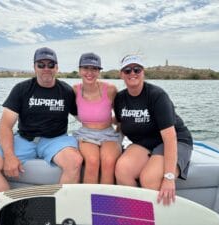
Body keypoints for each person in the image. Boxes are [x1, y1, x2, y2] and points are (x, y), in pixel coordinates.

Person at [0, 47, 83, 203]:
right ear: (34, 67)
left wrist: (110, 122)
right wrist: (10, 156)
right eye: (41, 64)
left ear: (57, 68)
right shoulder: (21, 89)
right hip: (25, 140)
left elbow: (84, 118)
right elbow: (5, 125)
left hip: (56, 140)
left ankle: (60, 214)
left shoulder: (66, 91)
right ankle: (11, 216)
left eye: (51, 65)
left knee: (75, 161)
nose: (46, 69)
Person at [113, 54, 193, 205]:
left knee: (149, 178)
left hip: (174, 140)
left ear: (143, 72)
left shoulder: (157, 96)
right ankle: (136, 214)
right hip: (145, 142)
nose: (132, 74)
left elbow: (170, 138)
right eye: (127, 70)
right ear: (121, 74)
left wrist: (169, 177)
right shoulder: (120, 99)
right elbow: (120, 124)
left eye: (137, 69)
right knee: (122, 170)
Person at [73, 52, 122, 184]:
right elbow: (69, 110)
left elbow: (121, 115)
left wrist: (117, 129)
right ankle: (87, 202)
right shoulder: (74, 90)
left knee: (108, 162)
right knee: (93, 161)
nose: (90, 72)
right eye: (85, 68)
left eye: (94, 68)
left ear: (99, 71)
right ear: (79, 70)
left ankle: (104, 204)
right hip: (86, 134)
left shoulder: (111, 89)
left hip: (108, 134)